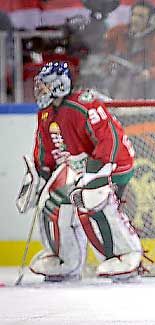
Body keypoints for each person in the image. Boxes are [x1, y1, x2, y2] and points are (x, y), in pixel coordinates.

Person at [16, 61, 144, 282]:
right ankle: (66, 260)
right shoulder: (46, 113)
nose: (40, 91)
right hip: (82, 168)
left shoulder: (85, 104)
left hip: (114, 163)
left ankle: (126, 254)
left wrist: (96, 173)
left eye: (45, 86)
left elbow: (109, 137)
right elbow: (44, 149)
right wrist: (41, 174)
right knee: (51, 202)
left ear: (60, 86)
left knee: (92, 200)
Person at [104, 0, 155, 99]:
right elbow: (102, 50)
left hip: (142, 89)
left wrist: (149, 73)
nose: (135, 19)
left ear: (151, 20)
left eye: (140, 16)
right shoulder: (118, 31)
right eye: (133, 15)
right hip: (115, 85)